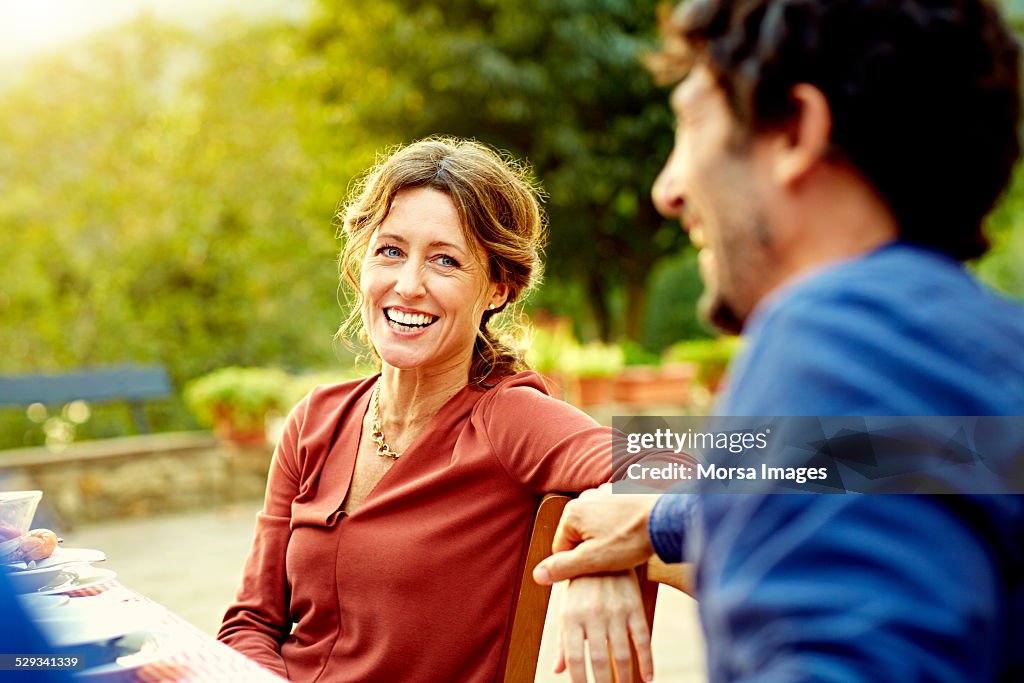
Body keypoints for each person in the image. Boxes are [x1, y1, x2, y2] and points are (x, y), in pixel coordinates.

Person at [536, 1, 1024, 682]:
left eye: (691, 124)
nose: (667, 190)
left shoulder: (828, 334)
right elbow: (908, 452)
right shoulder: (983, 356)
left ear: (796, 130)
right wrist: (662, 519)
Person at [217, 137, 622, 682]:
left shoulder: (511, 420)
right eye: (390, 251)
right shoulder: (314, 421)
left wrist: (613, 546)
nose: (408, 286)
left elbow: (745, 464)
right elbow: (250, 624)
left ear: (498, 288)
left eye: (445, 260)